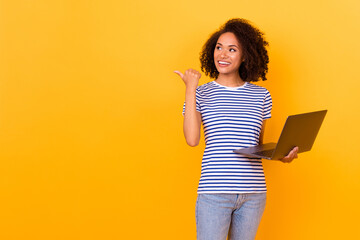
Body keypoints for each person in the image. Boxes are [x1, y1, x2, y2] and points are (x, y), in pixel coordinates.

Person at [174, 18, 299, 240]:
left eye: (232, 49)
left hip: (253, 194)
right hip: (214, 193)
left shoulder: (261, 96)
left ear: (245, 56)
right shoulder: (201, 93)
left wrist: (282, 156)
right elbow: (192, 139)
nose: (223, 54)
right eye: (219, 48)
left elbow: (256, 146)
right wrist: (190, 89)